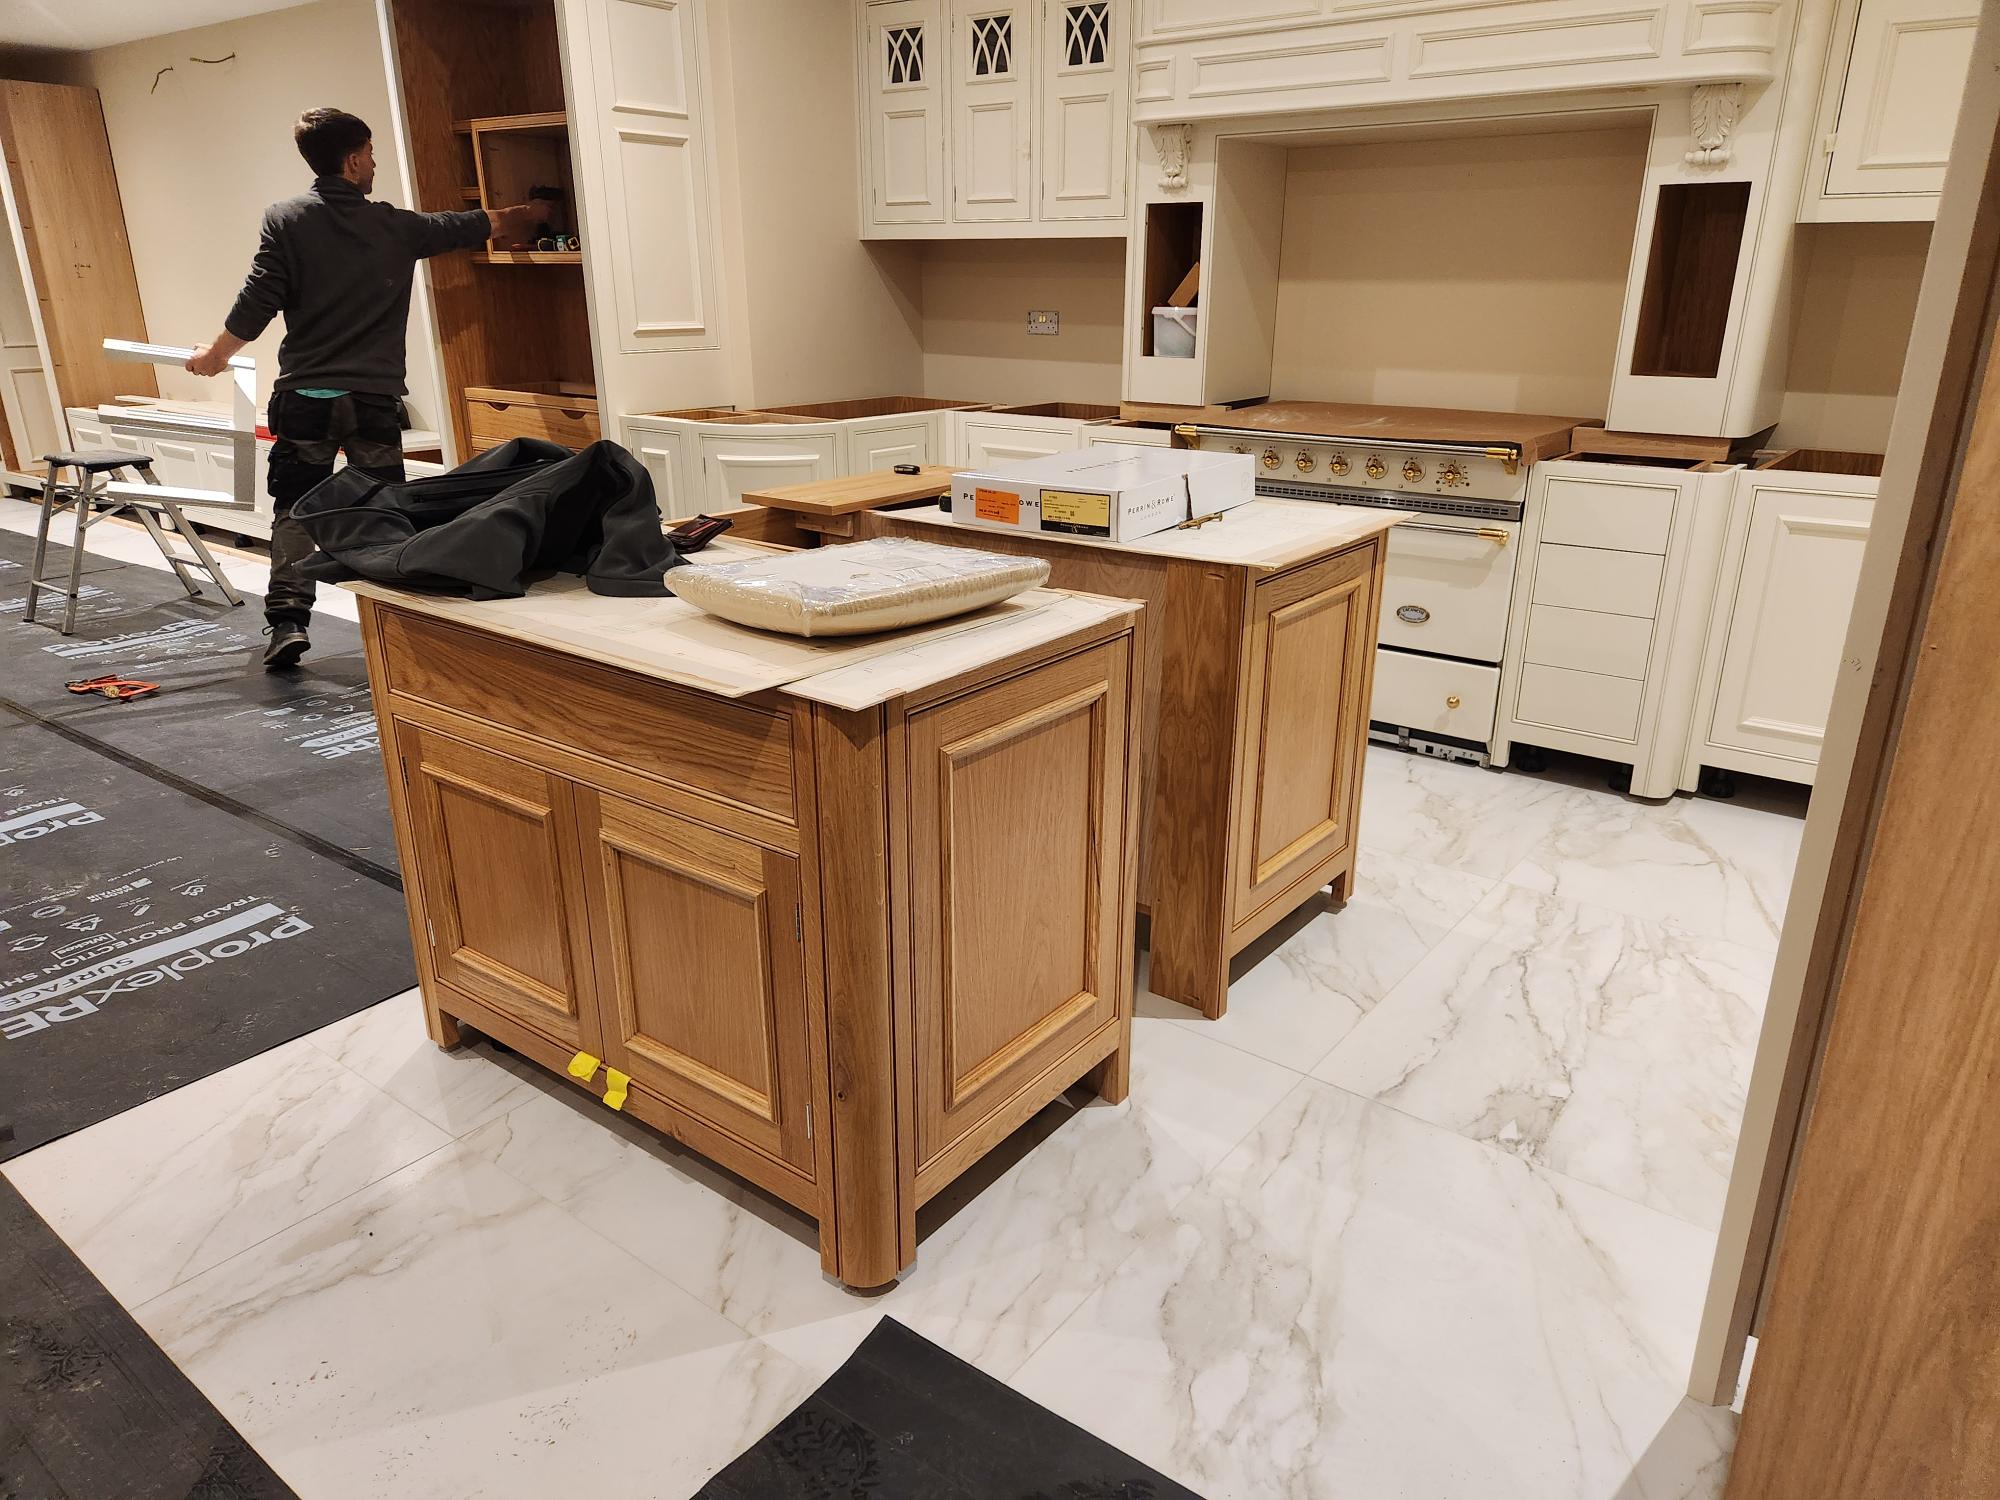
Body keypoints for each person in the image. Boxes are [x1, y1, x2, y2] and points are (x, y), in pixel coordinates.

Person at [185, 107, 539, 668]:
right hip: (373, 403)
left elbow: (258, 299)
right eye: (371, 153)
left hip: (308, 401)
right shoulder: (396, 227)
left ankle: (287, 624)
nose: (374, 162)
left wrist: (214, 356)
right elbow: (472, 223)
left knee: (297, 510)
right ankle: (395, 625)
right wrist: (534, 212)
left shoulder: (287, 220)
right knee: (381, 510)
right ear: (353, 161)